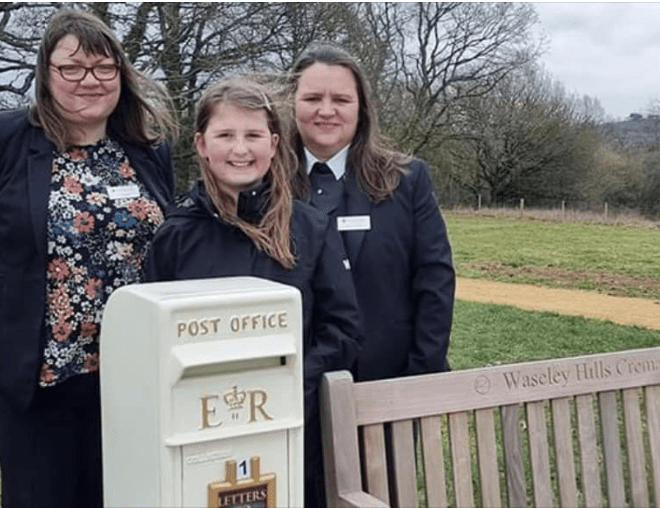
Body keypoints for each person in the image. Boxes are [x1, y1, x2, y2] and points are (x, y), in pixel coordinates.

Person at [0, 10, 177, 508]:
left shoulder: (147, 151)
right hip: (38, 375)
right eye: (72, 68)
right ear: (46, 73)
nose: (90, 81)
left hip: (131, 375)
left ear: (121, 76)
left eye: (104, 68)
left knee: (126, 495)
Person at [143, 77, 362, 508]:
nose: (240, 149)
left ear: (275, 143)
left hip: (289, 427)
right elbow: (153, 341)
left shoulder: (310, 228)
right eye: (225, 135)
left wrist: (285, 381)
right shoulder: (175, 235)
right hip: (197, 433)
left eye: (253, 135)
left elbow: (344, 330)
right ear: (202, 144)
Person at [288, 44, 456, 384]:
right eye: (312, 98)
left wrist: (421, 376)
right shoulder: (266, 184)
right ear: (291, 104)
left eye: (341, 100)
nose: (326, 110)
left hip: (388, 383)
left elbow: (434, 282)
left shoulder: (407, 181)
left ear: (363, 108)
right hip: (292, 389)